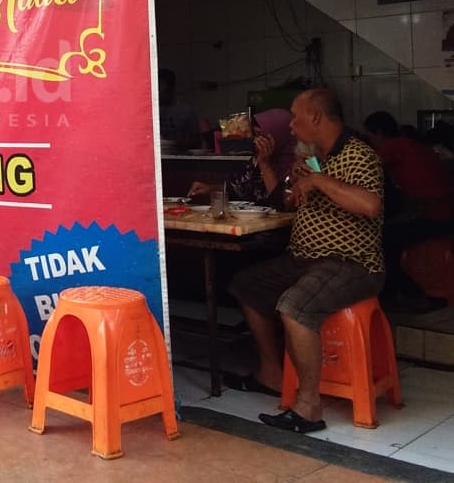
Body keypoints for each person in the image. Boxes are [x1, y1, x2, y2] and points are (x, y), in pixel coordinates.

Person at [225, 89, 384, 434]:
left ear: (316, 117)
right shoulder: (312, 156)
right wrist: (284, 175)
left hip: (351, 263)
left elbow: (370, 205)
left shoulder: (359, 154)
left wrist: (319, 180)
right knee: (246, 285)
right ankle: (271, 373)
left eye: (296, 117)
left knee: (294, 305)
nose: (291, 126)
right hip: (304, 260)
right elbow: (283, 203)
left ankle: (309, 406)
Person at [363, 110, 454, 310]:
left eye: (370, 137)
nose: (371, 142)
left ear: (378, 133)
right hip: (443, 212)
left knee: (378, 242)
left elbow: (366, 167)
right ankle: (395, 294)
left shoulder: (393, 146)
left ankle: (413, 294)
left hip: (436, 215)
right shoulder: (410, 144)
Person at [187, 109, 295, 207]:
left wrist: (265, 165)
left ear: (279, 135)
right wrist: (209, 188)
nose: (257, 140)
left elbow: (281, 204)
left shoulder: (296, 166)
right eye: (256, 134)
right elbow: (238, 188)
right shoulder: (257, 159)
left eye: (262, 134)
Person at [158, 68, 201, 151]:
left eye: (162, 88)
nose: (159, 92)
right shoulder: (149, 112)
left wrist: (177, 143)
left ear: (171, 89)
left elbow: (197, 141)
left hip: (180, 159)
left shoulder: (185, 112)